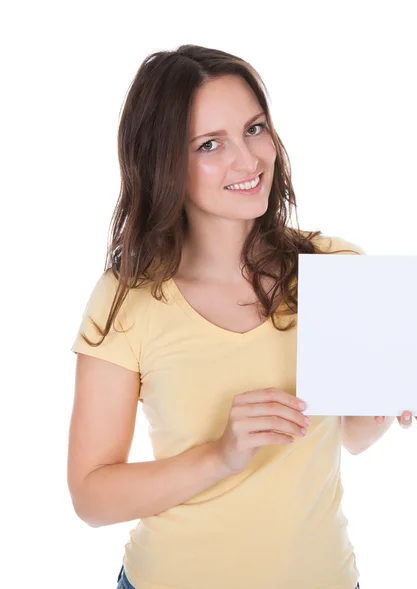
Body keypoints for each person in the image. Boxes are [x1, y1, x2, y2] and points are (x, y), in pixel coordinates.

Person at [67, 44, 370, 589]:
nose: (248, 161)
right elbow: (91, 497)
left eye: (254, 129)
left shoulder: (335, 269)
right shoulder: (128, 299)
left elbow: (354, 435)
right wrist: (221, 456)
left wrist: (400, 393)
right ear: (164, 164)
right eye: (210, 144)